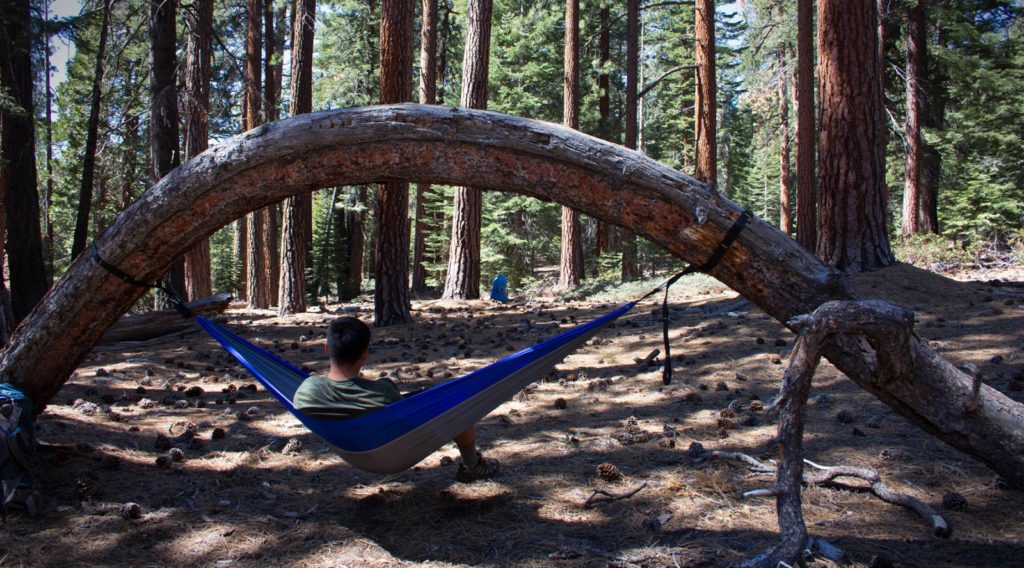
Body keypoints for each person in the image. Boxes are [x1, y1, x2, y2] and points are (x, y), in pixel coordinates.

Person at [293, 317, 499, 483]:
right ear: (365, 353)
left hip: (350, 449)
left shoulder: (306, 391)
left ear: (327, 349)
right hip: (391, 454)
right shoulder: (383, 392)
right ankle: (472, 466)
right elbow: (403, 416)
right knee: (458, 407)